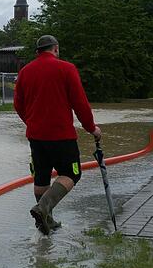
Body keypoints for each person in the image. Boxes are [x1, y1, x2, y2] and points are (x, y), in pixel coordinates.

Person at [14, 35, 101, 235]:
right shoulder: (67, 69)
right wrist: (91, 128)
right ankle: (43, 209)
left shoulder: (25, 72)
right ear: (56, 48)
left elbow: (18, 105)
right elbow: (80, 103)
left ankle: (46, 221)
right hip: (62, 136)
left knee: (41, 177)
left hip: (36, 136)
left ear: (38, 51)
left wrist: (32, 122)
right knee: (72, 173)